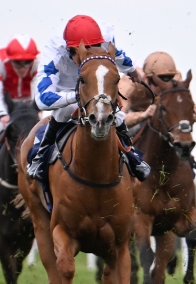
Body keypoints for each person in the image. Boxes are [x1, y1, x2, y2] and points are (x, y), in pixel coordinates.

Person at [26, 14, 150, 181]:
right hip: (66, 90)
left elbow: (118, 55)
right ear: (70, 50)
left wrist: (132, 70)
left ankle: (132, 155)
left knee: (116, 112)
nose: (91, 55)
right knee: (63, 112)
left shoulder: (105, 37)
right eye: (85, 52)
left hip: (95, 87)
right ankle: (40, 156)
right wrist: (75, 96)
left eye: (96, 48)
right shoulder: (53, 54)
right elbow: (42, 98)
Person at [0, 34, 40, 163]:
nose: (22, 68)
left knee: (41, 125)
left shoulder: (39, 60)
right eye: (17, 63)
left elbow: (39, 87)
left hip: (28, 101)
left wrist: (37, 108)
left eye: (27, 62)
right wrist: (2, 113)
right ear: (9, 59)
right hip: (5, 102)